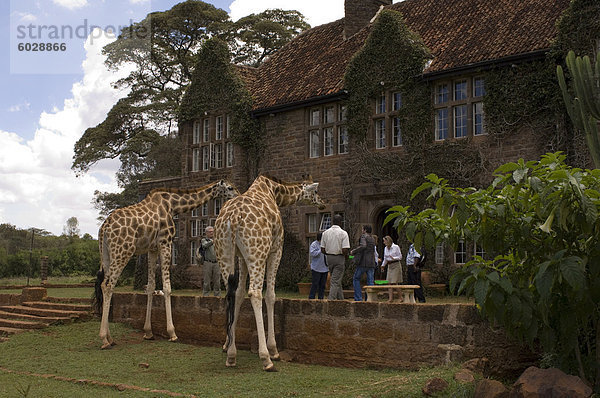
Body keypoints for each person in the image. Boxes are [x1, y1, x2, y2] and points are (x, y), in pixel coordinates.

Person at [320, 214, 350, 300]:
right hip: (339, 258)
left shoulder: (325, 233)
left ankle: (341, 300)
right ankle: (331, 300)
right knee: (334, 281)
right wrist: (346, 256)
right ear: (340, 222)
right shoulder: (343, 233)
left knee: (336, 279)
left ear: (333, 222)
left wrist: (330, 252)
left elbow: (322, 249)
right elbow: (345, 249)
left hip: (329, 258)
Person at [350, 225, 376, 301]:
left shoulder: (364, 237)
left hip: (363, 262)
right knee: (370, 281)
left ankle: (358, 298)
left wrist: (353, 251)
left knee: (356, 278)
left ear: (365, 230)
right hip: (371, 261)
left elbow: (363, 246)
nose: (362, 230)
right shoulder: (372, 238)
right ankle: (370, 298)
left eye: (362, 229)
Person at [200, 226, 221, 297]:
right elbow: (204, 245)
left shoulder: (217, 240)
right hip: (207, 263)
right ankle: (206, 296)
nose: (212, 233)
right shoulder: (204, 240)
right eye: (210, 232)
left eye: (213, 231)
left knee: (217, 281)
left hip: (216, 263)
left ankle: (217, 296)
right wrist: (212, 241)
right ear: (206, 233)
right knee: (207, 281)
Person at [308, 232, 328, 299]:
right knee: (315, 284)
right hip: (316, 267)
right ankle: (311, 297)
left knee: (322, 285)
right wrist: (320, 251)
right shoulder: (314, 244)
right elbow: (312, 253)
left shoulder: (326, 244)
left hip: (325, 267)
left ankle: (321, 298)